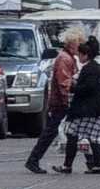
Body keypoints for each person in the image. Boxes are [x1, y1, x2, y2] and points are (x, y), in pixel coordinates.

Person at [25, 25, 84, 174]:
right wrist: (71, 95)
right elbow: (64, 82)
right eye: (78, 43)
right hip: (62, 103)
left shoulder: (67, 57)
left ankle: (85, 162)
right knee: (53, 132)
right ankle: (33, 160)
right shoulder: (65, 59)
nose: (80, 46)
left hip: (62, 102)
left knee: (69, 132)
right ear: (71, 43)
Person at [57, 35, 100, 175]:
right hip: (97, 111)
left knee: (72, 135)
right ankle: (97, 165)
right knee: (95, 138)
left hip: (85, 111)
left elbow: (86, 88)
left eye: (80, 55)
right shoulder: (96, 69)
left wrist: (73, 87)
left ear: (86, 55)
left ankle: (67, 166)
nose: (78, 57)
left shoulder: (89, 70)